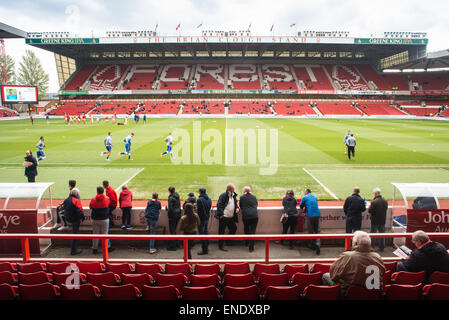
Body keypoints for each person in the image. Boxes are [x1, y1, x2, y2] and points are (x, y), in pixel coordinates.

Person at [89, 186, 114, 254]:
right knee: (105, 234)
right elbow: (109, 204)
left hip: (95, 218)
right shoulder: (107, 198)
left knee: (95, 234)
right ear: (103, 191)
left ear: (97, 191)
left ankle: (95, 249)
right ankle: (107, 248)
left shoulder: (93, 199)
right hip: (104, 218)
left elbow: (90, 207)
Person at [215, 183, 239, 251]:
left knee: (234, 228)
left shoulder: (233, 196)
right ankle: (221, 245)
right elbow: (219, 205)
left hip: (231, 217)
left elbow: (235, 204)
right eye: (232, 189)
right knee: (221, 232)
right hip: (224, 217)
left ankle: (228, 241)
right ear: (229, 189)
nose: (234, 190)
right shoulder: (223, 195)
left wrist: (237, 208)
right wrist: (221, 214)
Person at [63, 189, 84, 256]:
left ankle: (73, 248)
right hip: (74, 219)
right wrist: (82, 218)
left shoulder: (66, 199)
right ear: (76, 194)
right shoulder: (76, 200)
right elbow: (79, 211)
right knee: (75, 234)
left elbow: (63, 207)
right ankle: (73, 250)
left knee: (74, 234)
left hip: (67, 218)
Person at [300, 189, 321, 255]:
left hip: (310, 216)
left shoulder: (305, 197)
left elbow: (301, 206)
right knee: (317, 231)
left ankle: (312, 245)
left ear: (306, 192)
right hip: (317, 215)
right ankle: (318, 244)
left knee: (311, 231)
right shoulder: (314, 197)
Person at [369, 188, 388, 252]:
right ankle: (382, 247)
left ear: (375, 193)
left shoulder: (374, 201)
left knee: (372, 235)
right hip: (382, 220)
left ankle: (372, 247)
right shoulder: (385, 201)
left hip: (374, 221)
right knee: (382, 235)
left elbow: (370, 211)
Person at [239, 186, 258, 252]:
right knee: (253, 231)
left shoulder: (241, 197)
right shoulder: (254, 197)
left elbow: (241, 206)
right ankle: (251, 247)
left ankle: (247, 243)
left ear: (244, 191)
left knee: (246, 229)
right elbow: (256, 204)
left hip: (246, 216)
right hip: (254, 216)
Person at [196, 188, 212, 255]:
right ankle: (206, 246)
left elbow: (199, 211)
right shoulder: (209, 199)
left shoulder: (199, 200)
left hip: (201, 219)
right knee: (205, 233)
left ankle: (205, 249)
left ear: (200, 192)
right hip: (206, 218)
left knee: (202, 234)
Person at [167, 186, 181, 251]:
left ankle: (173, 246)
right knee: (174, 230)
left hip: (173, 216)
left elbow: (171, 209)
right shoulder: (177, 196)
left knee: (172, 231)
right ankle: (176, 244)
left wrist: (169, 216)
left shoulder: (171, 198)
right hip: (178, 214)